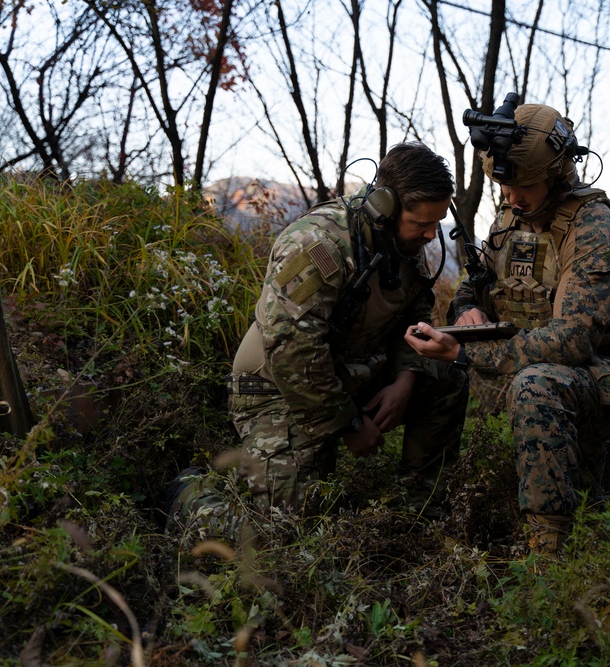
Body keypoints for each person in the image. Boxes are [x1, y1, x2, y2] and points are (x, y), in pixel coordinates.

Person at [404, 101, 610, 556]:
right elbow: (476, 286)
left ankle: (547, 556)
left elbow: (573, 341)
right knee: (589, 508)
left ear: (557, 173)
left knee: (534, 386)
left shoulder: (592, 228)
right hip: (556, 374)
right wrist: (467, 311)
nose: (511, 197)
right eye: (504, 186)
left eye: (524, 186)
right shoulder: (508, 219)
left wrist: (465, 354)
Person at [166, 142, 468, 541]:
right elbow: (292, 350)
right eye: (421, 224)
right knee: (283, 534)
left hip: (350, 374)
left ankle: (416, 514)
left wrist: (405, 381)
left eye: (437, 223)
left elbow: (413, 320)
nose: (432, 235)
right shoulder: (316, 245)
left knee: (445, 373)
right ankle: (189, 494)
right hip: (278, 388)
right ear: (385, 207)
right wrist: (348, 425)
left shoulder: (404, 244)